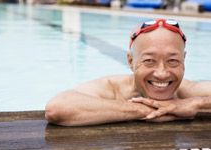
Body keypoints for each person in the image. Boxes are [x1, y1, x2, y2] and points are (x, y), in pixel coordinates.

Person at [45, 18, 211, 126]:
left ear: (184, 60)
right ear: (131, 61)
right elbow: (57, 108)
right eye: (149, 61)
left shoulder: (188, 92)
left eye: (173, 61)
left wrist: (196, 103)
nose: (162, 73)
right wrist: (145, 110)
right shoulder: (112, 88)